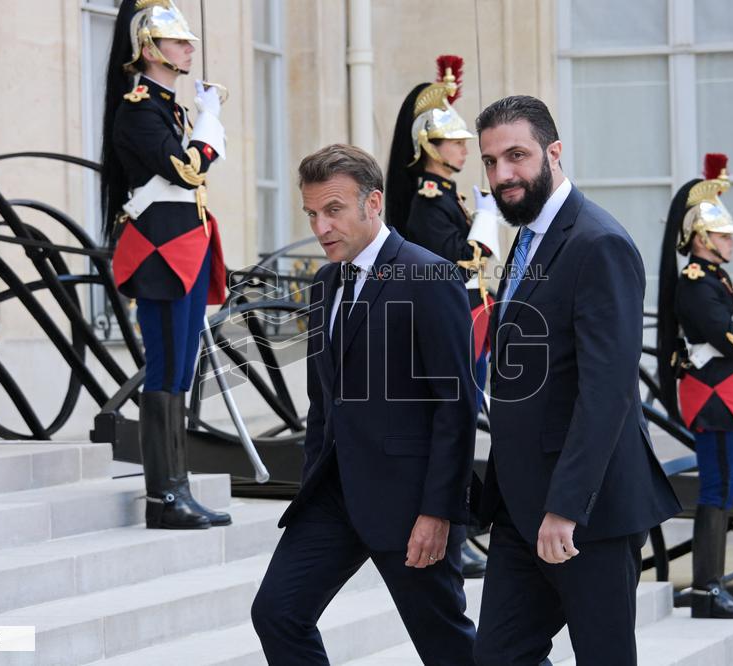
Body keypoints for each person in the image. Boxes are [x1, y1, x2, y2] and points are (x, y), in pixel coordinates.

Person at [472, 96, 681, 666]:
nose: (502, 174)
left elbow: (607, 392)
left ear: (554, 152)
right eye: (490, 161)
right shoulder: (528, 237)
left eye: (516, 155)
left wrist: (566, 507)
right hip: (520, 507)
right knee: (497, 657)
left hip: (587, 511)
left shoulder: (599, 243)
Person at [251, 144, 477, 665]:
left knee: (448, 648)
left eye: (333, 210)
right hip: (333, 495)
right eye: (312, 213)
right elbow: (322, 402)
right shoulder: (324, 283)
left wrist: (438, 511)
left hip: (409, 502)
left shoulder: (429, 276)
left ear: (373, 203)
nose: (321, 226)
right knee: (278, 613)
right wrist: (312, 481)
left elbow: (456, 407)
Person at [100, 0, 230, 529]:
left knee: (180, 371)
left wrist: (200, 118)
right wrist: (210, 122)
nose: (189, 48)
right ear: (150, 49)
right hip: (162, 255)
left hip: (186, 250)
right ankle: (165, 498)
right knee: (166, 369)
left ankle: (178, 488)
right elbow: (186, 170)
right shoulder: (139, 108)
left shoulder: (168, 109)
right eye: (179, 41)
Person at [384, 55, 501, 579]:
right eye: (454, 142)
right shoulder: (428, 202)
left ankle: (463, 528)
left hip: (470, 321)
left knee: (466, 425)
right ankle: (455, 528)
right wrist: (485, 223)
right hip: (452, 325)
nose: (464, 149)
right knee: (455, 428)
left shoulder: (447, 198)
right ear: (431, 146)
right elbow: (455, 262)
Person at [656, 153, 733, 619]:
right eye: (722, 235)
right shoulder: (697, 283)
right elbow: (732, 339)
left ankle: (710, 585)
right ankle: (706, 589)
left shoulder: (714, 279)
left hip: (727, 396)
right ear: (701, 239)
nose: (730, 241)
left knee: (721, 488)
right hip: (716, 399)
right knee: (716, 490)